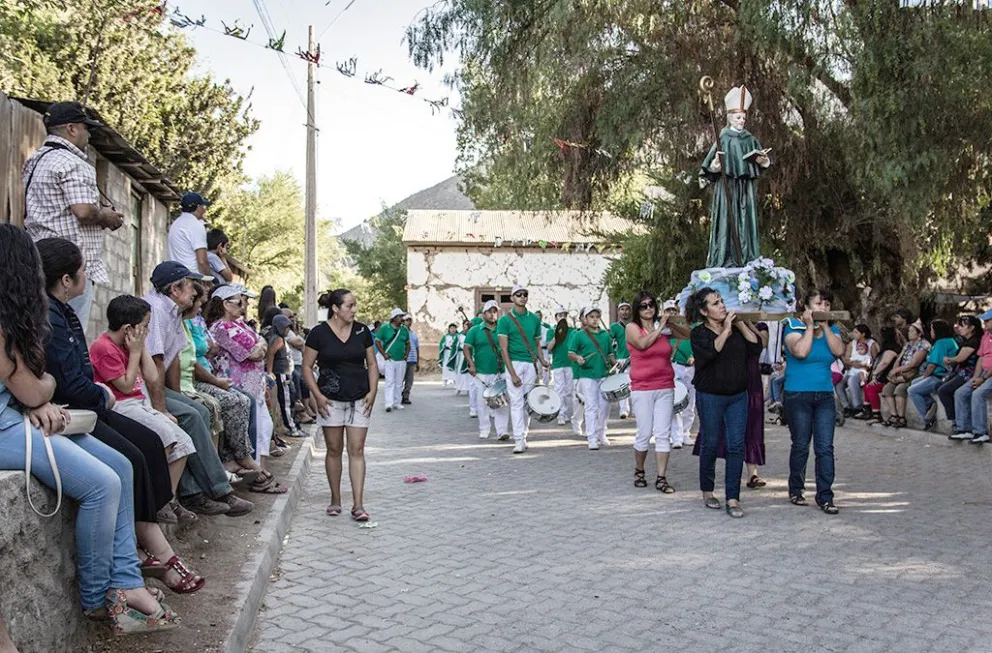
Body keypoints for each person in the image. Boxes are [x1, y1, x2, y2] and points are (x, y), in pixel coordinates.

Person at [0, 224, 179, 633]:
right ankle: (99, 597)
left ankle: (128, 582)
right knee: (102, 484)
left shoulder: (20, 317)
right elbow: (35, 386)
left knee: (120, 465)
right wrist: (40, 394)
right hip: (6, 426)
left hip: (20, 416)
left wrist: (37, 396)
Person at [37, 237, 209, 592]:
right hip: (84, 407)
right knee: (128, 458)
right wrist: (102, 392)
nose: (89, 275)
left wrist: (138, 347)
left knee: (147, 443)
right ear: (67, 280)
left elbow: (125, 377)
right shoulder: (51, 317)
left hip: (94, 403)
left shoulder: (63, 312)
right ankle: (139, 550)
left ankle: (150, 532)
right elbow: (76, 381)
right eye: (83, 270)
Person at [142, 262, 254, 517]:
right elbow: (156, 361)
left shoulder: (172, 312)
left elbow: (174, 358)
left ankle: (194, 493)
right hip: (145, 387)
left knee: (198, 411)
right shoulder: (157, 309)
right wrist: (161, 409)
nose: (196, 293)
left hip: (159, 384)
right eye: (192, 286)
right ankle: (218, 491)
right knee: (191, 415)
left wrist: (178, 395)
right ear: (175, 289)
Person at [22, 101, 125, 329]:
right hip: (70, 266)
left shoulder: (35, 160)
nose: (89, 135)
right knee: (70, 333)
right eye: (86, 128)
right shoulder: (73, 162)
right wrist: (107, 217)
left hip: (39, 258)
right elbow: (84, 211)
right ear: (71, 129)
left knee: (42, 331)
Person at [89, 295, 195, 511]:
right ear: (129, 328)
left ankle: (167, 499)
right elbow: (126, 386)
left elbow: (152, 376)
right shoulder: (104, 347)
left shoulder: (132, 345)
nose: (147, 331)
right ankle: (154, 501)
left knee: (184, 443)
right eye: (145, 326)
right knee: (164, 438)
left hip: (139, 404)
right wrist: (136, 351)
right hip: (120, 406)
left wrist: (141, 347)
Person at [304, 289, 377, 521]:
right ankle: (335, 500)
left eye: (355, 305)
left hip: (359, 398)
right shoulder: (318, 333)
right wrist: (317, 395)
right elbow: (306, 367)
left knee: (357, 449)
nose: (354, 310)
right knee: (333, 449)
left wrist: (373, 391)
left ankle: (358, 505)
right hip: (329, 400)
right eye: (350, 305)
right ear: (335, 308)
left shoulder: (363, 331)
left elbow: (372, 364)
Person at [688, 287, 761, 518]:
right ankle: (708, 490)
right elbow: (711, 352)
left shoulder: (736, 330)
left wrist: (739, 324)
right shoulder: (699, 333)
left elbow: (756, 347)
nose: (721, 306)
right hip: (710, 396)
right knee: (710, 442)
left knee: (736, 445)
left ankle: (733, 497)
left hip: (738, 395)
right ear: (703, 311)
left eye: (721, 301)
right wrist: (727, 329)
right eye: (715, 303)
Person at [782, 288, 846, 515]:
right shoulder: (792, 326)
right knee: (801, 444)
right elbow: (799, 351)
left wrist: (826, 326)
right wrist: (810, 326)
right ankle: (796, 489)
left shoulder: (833, 328)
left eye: (827, 304)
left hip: (824, 395)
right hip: (798, 394)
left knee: (825, 447)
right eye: (819, 304)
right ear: (806, 306)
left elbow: (838, 351)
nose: (824, 308)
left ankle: (826, 496)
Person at [205, 285, 278, 473]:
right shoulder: (221, 327)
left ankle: (262, 472)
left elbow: (261, 343)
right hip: (236, 382)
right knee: (254, 428)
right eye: (239, 302)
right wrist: (260, 345)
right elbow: (254, 352)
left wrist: (260, 344)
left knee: (264, 427)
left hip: (254, 381)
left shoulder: (240, 324)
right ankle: (259, 475)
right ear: (225, 304)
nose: (243, 306)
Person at [698, 86, 770, 268]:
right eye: (738, 117)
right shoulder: (724, 137)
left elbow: (762, 161)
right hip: (727, 188)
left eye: (744, 118)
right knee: (726, 222)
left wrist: (762, 160)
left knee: (746, 222)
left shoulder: (750, 139)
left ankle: (748, 258)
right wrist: (716, 165)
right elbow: (708, 167)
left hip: (745, 188)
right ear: (730, 118)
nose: (742, 121)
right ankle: (726, 258)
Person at [626, 291, 691, 491]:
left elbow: (689, 335)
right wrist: (661, 327)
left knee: (663, 434)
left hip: (665, 385)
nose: (648, 309)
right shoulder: (632, 327)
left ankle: (661, 477)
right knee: (645, 433)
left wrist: (673, 323)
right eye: (644, 306)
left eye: (651, 305)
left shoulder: (662, 329)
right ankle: (639, 469)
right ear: (637, 309)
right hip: (642, 387)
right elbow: (642, 344)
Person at [693, 321, 770, 489]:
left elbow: (761, 344)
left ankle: (751, 473)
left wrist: (746, 323)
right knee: (714, 434)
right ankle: (709, 486)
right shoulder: (718, 327)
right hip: (726, 379)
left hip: (751, 380)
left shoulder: (759, 326)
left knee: (753, 424)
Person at [496, 285, 549, 454]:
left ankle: (524, 436)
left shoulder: (534, 319)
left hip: (531, 364)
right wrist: (512, 373)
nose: (522, 297)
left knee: (528, 402)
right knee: (516, 402)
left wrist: (543, 361)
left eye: (525, 294)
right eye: (518, 295)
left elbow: (536, 343)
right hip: (515, 363)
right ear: (512, 298)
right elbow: (503, 349)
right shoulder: (504, 320)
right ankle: (518, 439)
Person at [569, 307, 615, 450]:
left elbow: (610, 353)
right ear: (586, 319)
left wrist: (616, 363)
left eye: (597, 316)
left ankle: (601, 432)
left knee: (605, 406)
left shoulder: (605, 335)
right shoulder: (579, 335)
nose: (595, 319)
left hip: (604, 374)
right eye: (591, 316)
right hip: (587, 375)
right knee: (591, 406)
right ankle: (592, 437)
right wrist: (578, 358)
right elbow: (570, 353)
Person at [464, 300, 509, 440]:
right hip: (482, 373)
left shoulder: (502, 329)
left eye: (495, 311)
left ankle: (502, 431)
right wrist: (471, 364)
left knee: (502, 401)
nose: (492, 314)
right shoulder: (475, 330)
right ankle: (484, 428)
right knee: (482, 402)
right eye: (489, 311)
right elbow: (467, 348)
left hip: (500, 370)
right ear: (484, 313)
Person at [262, 306, 305, 439]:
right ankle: (291, 427)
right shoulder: (277, 339)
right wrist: (269, 371)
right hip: (281, 374)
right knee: (286, 402)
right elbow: (270, 354)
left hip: (287, 373)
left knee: (291, 399)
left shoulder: (281, 338)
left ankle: (293, 424)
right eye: (286, 327)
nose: (288, 330)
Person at [907, 320, 959, 430]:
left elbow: (932, 365)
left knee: (912, 390)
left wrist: (925, 377)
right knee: (914, 382)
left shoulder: (941, 343)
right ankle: (929, 403)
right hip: (939, 374)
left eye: (931, 329)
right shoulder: (949, 341)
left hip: (940, 376)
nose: (930, 332)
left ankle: (927, 418)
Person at [936, 315, 982, 432]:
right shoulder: (965, 340)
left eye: (962, 326)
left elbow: (961, 358)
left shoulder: (974, 341)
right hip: (960, 371)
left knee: (944, 391)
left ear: (971, 328)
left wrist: (949, 359)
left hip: (969, 373)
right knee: (938, 386)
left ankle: (957, 422)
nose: (959, 328)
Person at [952, 309, 992, 443]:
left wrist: (983, 379)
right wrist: (976, 377)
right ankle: (964, 430)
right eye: (984, 320)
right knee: (961, 392)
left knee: (978, 394)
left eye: (988, 321)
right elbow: (981, 358)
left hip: (989, 375)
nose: (985, 323)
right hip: (983, 374)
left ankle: (980, 432)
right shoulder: (986, 336)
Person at [880, 322, 930, 428]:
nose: (909, 333)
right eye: (909, 331)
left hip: (913, 374)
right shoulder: (908, 345)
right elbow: (899, 359)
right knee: (887, 389)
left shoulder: (924, 345)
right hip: (901, 371)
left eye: (912, 331)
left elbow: (914, 364)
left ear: (919, 333)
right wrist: (894, 371)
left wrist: (897, 370)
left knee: (900, 389)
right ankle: (894, 415)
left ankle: (902, 418)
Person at [665, 299, 696, 446]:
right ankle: (676, 436)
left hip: (691, 368)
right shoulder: (668, 327)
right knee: (676, 400)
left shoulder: (695, 325)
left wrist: (695, 357)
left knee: (690, 402)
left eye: (674, 310)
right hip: (675, 365)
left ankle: (685, 432)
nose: (672, 313)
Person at [548, 307, 582, 436]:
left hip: (570, 363)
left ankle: (568, 413)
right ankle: (560, 414)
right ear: (555, 317)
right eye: (559, 315)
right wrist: (558, 335)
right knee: (559, 389)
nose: (562, 317)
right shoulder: (551, 331)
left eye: (564, 314)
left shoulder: (572, 331)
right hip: (558, 364)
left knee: (570, 390)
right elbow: (550, 347)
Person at [858, 326, 901, 423]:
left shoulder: (891, 349)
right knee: (866, 384)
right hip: (880, 377)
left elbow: (884, 363)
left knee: (871, 387)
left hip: (885, 378)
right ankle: (866, 409)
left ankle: (876, 414)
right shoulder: (885, 349)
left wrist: (874, 375)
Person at [167, 192, 212, 277]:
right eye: (203, 206)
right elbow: (202, 261)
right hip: (192, 277)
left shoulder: (176, 224)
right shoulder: (196, 225)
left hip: (177, 275)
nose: (204, 210)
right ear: (198, 207)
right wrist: (207, 281)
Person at [376, 309, 411, 412]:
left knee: (399, 382)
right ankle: (388, 403)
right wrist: (384, 354)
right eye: (400, 316)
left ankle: (397, 402)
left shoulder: (404, 329)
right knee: (389, 381)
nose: (402, 318)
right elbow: (377, 341)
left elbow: (408, 343)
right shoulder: (384, 328)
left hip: (401, 360)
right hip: (390, 359)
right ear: (394, 318)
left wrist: (406, 355)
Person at [840, 324, 878, 418]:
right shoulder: (852, 343)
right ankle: (846, 407)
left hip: (864, 372)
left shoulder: (871, 344)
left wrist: (863, 364)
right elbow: (846, 359)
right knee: (839, 384)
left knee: (852, 381)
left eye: (856, 332)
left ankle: (858, 407)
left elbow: (875, 360)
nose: (853, 334)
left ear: (863, 334)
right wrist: (853, 363)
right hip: (851, 370)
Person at [610, 302, 633, 419]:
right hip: (622, 359)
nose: (624, 312)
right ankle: (624, 410)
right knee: (622, 385)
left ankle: (638, 409)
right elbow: (609, 343)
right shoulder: (614, 326)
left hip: (635, 358)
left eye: (627, 309)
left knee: (636, 384)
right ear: (619, 312)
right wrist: (613, 358)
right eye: (622, 309)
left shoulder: (635, 325)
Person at [402, 314, 420, 405]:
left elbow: (417, 348)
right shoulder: (400, 332)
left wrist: (418, 361)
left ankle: (406, 396)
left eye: (410, 320)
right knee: (400, 379)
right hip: (403, 359)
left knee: (409, 380)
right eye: (407, 320)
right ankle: (396, 396)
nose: (409, 322)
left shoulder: (413, 334)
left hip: (412, 359)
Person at [439, 323, 459, 387]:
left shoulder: (458, 336)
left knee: (455, 366)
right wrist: (444, 346)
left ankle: (455, 381)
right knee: (445, 367)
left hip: (455, 354)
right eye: (451, 328)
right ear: (449, 329)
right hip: (447, 353)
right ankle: (445, 380)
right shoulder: (446, 336)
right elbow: (441, 344)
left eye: (454, 328)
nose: (453, 330)